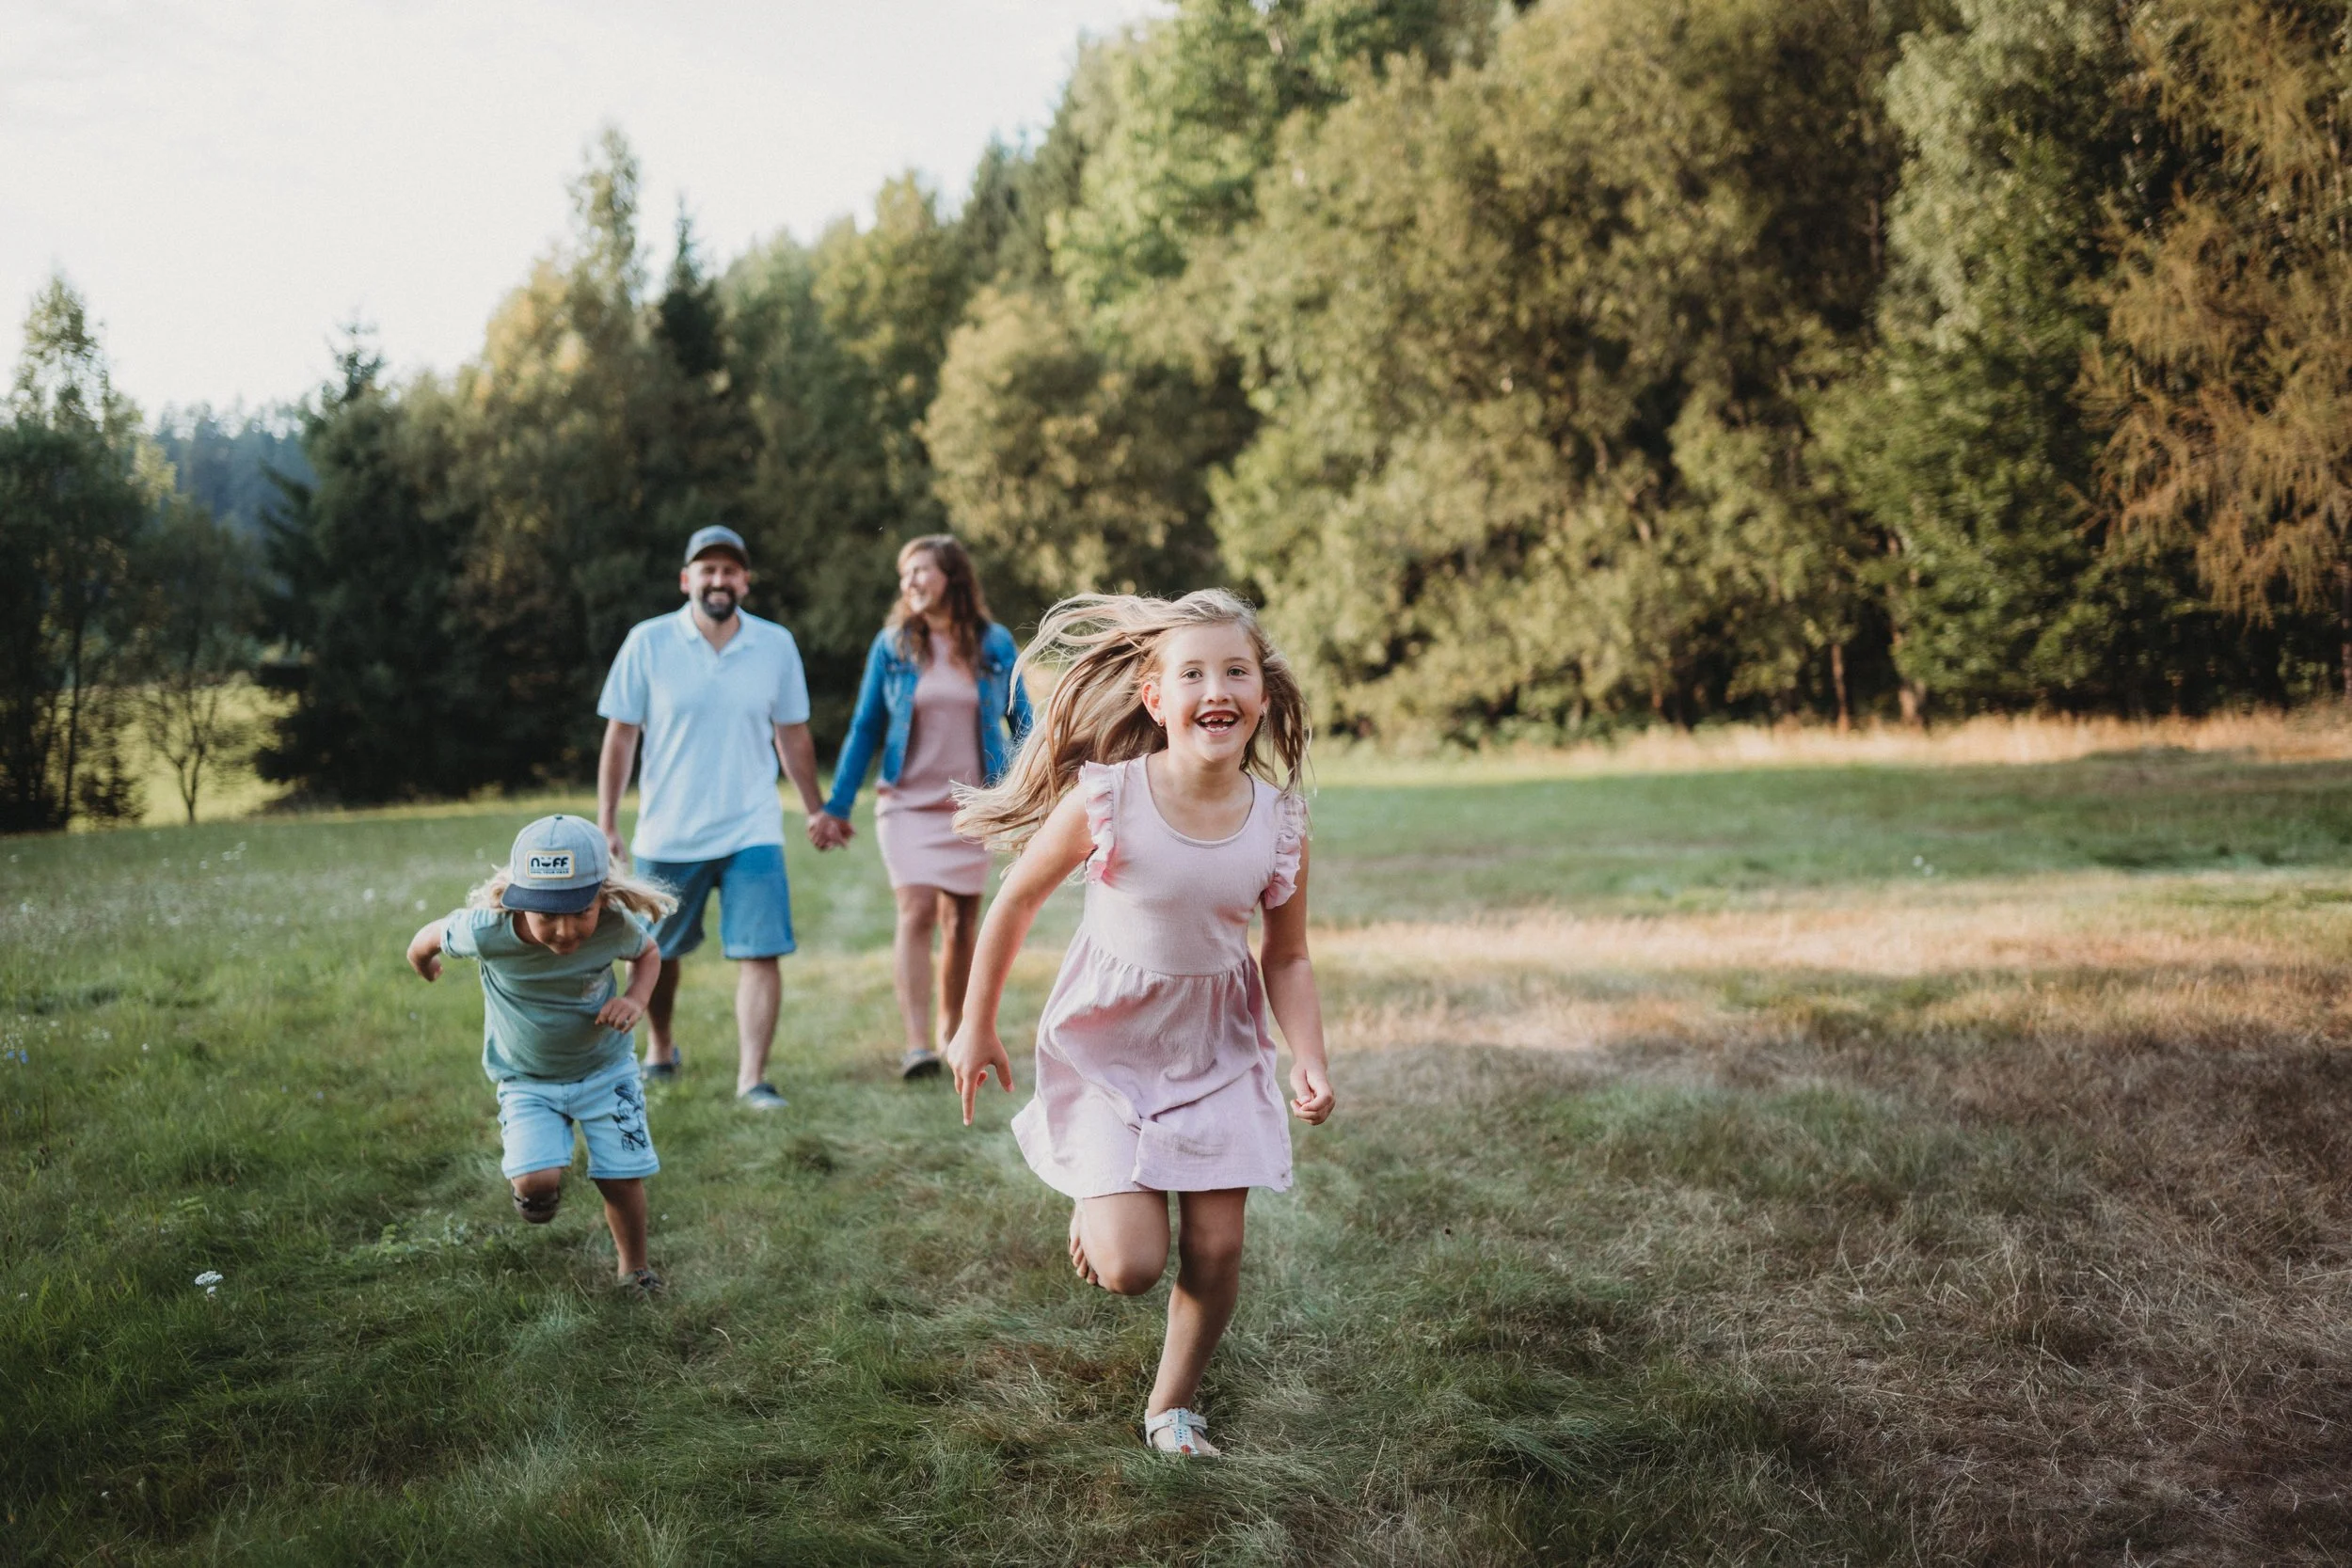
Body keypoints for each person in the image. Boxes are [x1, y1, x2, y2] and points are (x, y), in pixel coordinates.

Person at [946, 589, 1336, 1459]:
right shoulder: (1107, 798)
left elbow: (1288, 956)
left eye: (1236, 670)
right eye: (1191, 672)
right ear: (1155, 699)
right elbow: (1014, 902)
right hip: (1109, 1049)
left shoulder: (1278, 823)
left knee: (1218, 1244)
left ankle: (1172, 1405)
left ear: (1262, 696)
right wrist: (975, 1024)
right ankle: (1100, 1186)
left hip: (1218, 1048)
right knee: (1128, 1265)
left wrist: (1305, 1054)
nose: (1217, 688)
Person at [596, 524, 836, 1111]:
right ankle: (660, 1048)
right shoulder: (647, 642)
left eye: (730, 570)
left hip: (751, 826)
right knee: (658, 953)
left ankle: (752, 1079)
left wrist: (815, 808)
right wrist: (607, 820)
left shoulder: (776, 645)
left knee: (761, 951)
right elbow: (621, 736)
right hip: (667, 831)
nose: (719, 579)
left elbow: (793, 733)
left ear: (745, 582)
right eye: (707, 569)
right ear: (687, 580)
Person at [404, 814, 679, 1295]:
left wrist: (635, 1000)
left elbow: (649, 954)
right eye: (546, 915)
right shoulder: (487, 931)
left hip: (606, 1071)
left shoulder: (615, 926)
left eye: (580, 912)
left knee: (622, 1177)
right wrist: (423, 964)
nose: (564, 931)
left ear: (603, 896)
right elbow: (426, 938)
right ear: (519, 900)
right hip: (527, 1080)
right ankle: (536, 1190)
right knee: (536, 1183)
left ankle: (634, 1268)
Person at [809, 535, 1033, 1079]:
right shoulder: (893, 646)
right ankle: (916, 1047)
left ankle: (953, 1032)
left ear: (952, 577)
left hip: (975, 802)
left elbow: (1023, 719)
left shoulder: (994, 642)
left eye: (920, 572)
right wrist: (836, 805)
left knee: (960, 923)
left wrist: (1034, 791)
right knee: (915, 912)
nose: (909, 583)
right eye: (904, 574)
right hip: (906, 802)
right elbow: (866, 727)